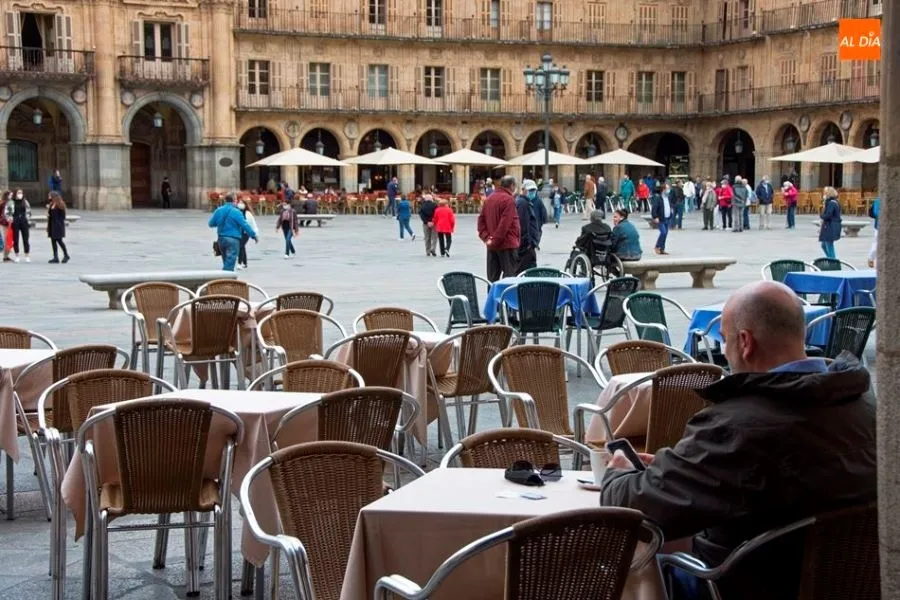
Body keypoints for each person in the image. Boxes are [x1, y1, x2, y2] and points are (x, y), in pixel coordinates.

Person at [600, 280, 876, 600]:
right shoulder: (862, 403)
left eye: (726, 340)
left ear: (745, 342)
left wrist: (618, 472)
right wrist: (675, 466)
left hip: (745, 585)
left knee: (635, 564)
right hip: (850, 584)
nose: (726, 351)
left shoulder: (740, 427)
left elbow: (634, 510)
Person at [477, 174, 521, 282]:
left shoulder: (489, 199)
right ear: (512, 186)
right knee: (509, 279)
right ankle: (507, 299)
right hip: (507, 244)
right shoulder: (509, 199)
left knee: (492, 280)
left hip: (492, 246)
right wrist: (495, 240)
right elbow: (505, 224)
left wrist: (487, 238)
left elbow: (481, 221)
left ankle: (492, 299)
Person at [209, 194, 258, 271]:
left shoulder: (219, 210)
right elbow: (244, 225)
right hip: (233, 239)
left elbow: (211, 224)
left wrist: (220, 222)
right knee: (230, 261)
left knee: (226, 260)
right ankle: (226, 278)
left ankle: (227, 275)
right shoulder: (237, 212)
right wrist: (253, 235)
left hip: (221, 238)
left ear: (225, 200)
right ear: (234, 201)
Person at [515, 179, 547, 272]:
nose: (532, 192)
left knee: (531, 268)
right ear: (523, 190)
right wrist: (527, 243)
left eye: (534, 190)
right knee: (525, 270)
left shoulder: (528, 202)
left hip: (530, 243)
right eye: (530, 190)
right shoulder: (523, 203)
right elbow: (522, 224)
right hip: (526, 245)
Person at [4, 189, 31, 263]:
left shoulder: (25, 202)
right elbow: (7, 212)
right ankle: (17, 255)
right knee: (16, 239)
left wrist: (27, 218)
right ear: (15, 193)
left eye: (21, 193)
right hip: (15, 222)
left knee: (26, 238)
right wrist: (10, 219)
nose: (20, 194)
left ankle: (27, 255)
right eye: (19, 193)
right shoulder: (10, 202)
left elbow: (29, 211)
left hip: (24, 221)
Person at [46, 192, 70, 264]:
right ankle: (55, 257)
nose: (49, 197)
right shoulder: (51, 204)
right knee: (53, 241)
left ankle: (66, 255)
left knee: (59, 241)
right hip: (52, 225)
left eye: (49, 196)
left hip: (58, 226)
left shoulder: (60, 204)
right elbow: (50, 215)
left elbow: (62, 216)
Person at [819, 186, 842, 259]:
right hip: (830, 225)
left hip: (831, 226)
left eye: (825, 193)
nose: (824, 195)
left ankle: (832, 260)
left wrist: (821, 215)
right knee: (824, 245)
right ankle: (830, 258)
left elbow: (828, 215)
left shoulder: (831, 203)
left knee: (829, 245)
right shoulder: (832, 202)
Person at [649, 183, 671, 255]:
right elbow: (654, 208)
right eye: (667, 188)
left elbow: (669, 205)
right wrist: (655, 217)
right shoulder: (658, 198)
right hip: (661, 218)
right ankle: (657, 246)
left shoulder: (668, 197)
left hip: (667, 218)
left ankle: (662, 249)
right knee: (663, 232)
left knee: (665, 233)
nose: (668, 190)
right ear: (663, 190)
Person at [236, 200, 258, 270]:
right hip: (238, 233)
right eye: (239, 203)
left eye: (242, 203)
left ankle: (239, 263)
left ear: (245, 205)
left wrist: (255, 234)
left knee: (241, 246)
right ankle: (245, 263)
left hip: (246, 233)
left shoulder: (248, 214)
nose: (240, 204)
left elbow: (253, 224)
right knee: (242, 247)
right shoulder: (236, 212)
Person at [418, 192, 438, 256]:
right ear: (431, 199)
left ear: (425, 199)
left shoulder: (422, 206)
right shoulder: (435, 205)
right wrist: (432, 221)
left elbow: (421, 215)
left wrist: (426, 221)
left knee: (427, 238)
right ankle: (433, 249)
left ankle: (427, 251)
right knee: (434, 237)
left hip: (425, 224)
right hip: (433, 224)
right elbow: (436, 214)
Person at [868, 196, 879, 268]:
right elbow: (876, 213)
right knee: (876, 243)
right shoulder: (878, 200)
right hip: (880, 225)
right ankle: (871, 258)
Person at [0, 191, 8, 262]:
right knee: (4, 239)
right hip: (3, 223)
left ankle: (6, 256)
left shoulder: (10, 203)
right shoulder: (2, 203)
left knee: (7, 240)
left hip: (9, 223)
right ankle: (5, 256)